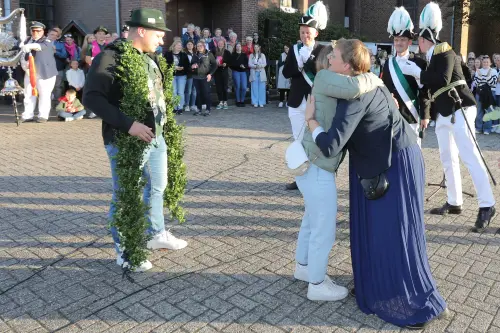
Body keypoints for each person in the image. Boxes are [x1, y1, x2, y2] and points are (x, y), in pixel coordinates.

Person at [306, 38, 448, 329]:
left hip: (392, 164)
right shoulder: (369, 82)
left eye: (332, 56)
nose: (328, 60)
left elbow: (332, 145)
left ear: (346, 65)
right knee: (381, 229)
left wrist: (311, 122)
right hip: (390, 161)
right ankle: (376, 282)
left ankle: (409, 299)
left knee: (393, 232)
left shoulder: (356, 96)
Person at [83, 8, 188, 272]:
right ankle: (127, 250)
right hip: (125, 139)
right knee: (126, 193)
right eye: (158, 34)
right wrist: (129, 125)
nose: (162, 40)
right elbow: (92, 98)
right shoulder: (110, 56)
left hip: (156, 137)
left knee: (157, 187)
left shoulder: (150, 57)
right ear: (141, 31)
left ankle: (156, 234)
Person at [294, 43, 383, 302]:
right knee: (324, 229)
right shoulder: (324, 77)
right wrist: (375, 78)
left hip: (312, 165)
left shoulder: (330, 82)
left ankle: (303, 267)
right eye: (330, 55)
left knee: (311, 221)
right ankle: (318, 284)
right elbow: (355, 87)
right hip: (318, 167)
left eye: (334, 55)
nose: (329, 58)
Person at [400, 2, 496, 231]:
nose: (417, 44)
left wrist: (418, 73)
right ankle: (454, 201)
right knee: (447, 156)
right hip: (444, 111)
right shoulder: (432, 58)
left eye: (419, 40)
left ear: (426, 39)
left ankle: (487, 204)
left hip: (460, 107)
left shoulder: (443, 49)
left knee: (469, 155)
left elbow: (442, 79)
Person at [282, 1, 327, 190]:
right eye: (302, 32)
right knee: (298, 139)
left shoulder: (324, 51)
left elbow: (323, 75)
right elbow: (286, 72)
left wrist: (307, 61)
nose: (304, 35)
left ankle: (316, 174)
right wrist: (298, 64)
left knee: (314, 139)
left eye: (308, 32)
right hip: (296, 101)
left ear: (316, 33)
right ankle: (300, 176)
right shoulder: (294, 49)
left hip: (313, 102)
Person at [382, 7, 430, 147]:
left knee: (413, 152)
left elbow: (424, 91)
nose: (398, 43)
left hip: (411, 115)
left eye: (403, 40)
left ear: (409, 42)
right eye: (396, 39)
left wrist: (425, 115)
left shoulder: (419, 62)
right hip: (391, 115)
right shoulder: (388, 63)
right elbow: (383, 87)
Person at [20, 21, 58, 123]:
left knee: (44, 94)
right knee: (28, 94)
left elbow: (39, 47)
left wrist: (29, 46)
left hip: (44, 73)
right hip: (29, 72)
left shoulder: (47, 40)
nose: (35, 32)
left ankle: (43, 115)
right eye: (33, 30)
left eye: (38, 30)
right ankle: (28, 115)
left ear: (43, 31)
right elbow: (20, 52)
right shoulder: (27, 39)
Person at [191, 41, 217, 116]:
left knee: (206, 93)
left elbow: (215, 65)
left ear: (204, 46)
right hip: (196, 77)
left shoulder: (209, 54)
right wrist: (192, 66)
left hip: (205, 77)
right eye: (198, 46)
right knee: (198, 94)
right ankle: (199, 109)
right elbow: (191, 64)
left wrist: (210, 74)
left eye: (201, 46)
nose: (199, 47)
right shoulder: (195, 55)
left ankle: (208, 109)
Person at [165, 40, 189, 114]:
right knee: (173, 92)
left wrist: (182, 68)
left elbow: (187, 65)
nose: (179, 47)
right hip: (172, 75)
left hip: (181, 75)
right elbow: (165, 64)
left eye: (180, 45)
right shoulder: (168, 54)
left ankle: (180, 108)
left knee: (180, 92)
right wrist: (173, 67)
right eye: (178, 45)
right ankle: (175, 108)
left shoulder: (184, 54)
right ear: (174, 46)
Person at [213, 38, 231, 110]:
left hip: (224, 71)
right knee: (218, 87)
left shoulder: (227, 52)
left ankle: (225, 101)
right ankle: (220, 101)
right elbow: (211, 61)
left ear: (224, 44)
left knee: (225, 87)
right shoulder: (213, 51)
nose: (220, 44)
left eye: (222, 43)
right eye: (219, 43)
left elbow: (230, 62)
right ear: (217, 44)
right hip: (217, 71)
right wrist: (215, 63)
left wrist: (225, 64)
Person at [230, 42, 248, 107]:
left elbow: (247, 63)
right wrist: (239, 66)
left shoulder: (244, 55)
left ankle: (242, 100)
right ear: (235, 47)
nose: (238, 47)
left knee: (244, 87)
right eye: (237, 46)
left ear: (241, 47)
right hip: (236, 71)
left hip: (243, 72)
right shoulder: (233, 55)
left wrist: (244, 66)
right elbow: (231, 65)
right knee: (237, 86)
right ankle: (238, 101)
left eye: (239, 46)